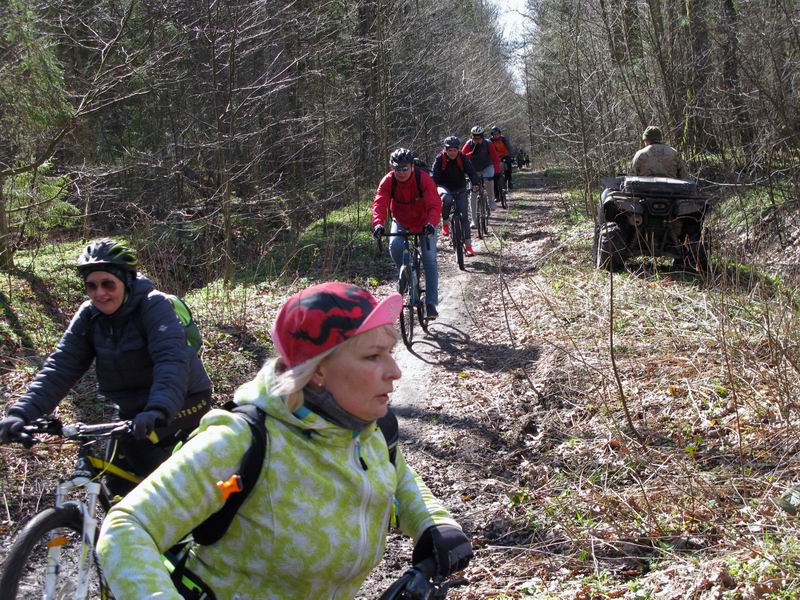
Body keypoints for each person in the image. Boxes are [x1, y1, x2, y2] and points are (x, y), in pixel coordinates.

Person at [97, 282, 473, 599]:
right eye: (373, 356)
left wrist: (432, 523)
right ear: (319, 370)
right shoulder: (242, 440)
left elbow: (396, 473)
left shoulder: (370, 429)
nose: (394, 371)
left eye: (389, 353)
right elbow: (127, 528)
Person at [0, 239, 212, 494]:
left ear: (127, 281)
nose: (100, 293)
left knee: (149, 470)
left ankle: (186, 515)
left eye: (108, 284)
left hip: (181, 401)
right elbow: (60, 368)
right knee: (115, 487)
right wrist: (21, 414)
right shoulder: (89, 316)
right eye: (92, 285)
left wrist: (158, 408)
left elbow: (171, 361)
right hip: (131, 409)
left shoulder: (154, 306)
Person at [372, 148, 442, 320]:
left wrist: (431, 224)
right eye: (397, 169)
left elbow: (434, 203)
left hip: (425, 222)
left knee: (429, 258)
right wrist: (378, 224)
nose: (401, 173)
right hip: (401, 221)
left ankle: (431, 303)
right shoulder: (388, 181)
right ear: (391, 168)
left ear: (412, 166)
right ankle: (407, 276)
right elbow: (380, 203)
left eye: (405, 169)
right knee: (395, 245)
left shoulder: (422, 179)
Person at [432, 136, 480, 257]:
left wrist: (475, 183)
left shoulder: (462, 157)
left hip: (460, 187)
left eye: (455, 150)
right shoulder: (440, 159)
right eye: (450, 150)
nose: (452, 153)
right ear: (445, 150)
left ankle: (468, 246)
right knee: (447, 199)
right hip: (444, 187)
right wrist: (433, 188)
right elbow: (435, 176)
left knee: (464, 217)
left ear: (458, 150)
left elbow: (471, 171)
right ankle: (445, 222)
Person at [462, 126, 501, 227]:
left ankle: (491, 200)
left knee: (488, 179)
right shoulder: (468, 144)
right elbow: (461, 158)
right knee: (473, 194)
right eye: (475, 138)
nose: (477, 140)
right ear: (472, 137)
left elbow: (495, 157)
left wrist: (497, 171)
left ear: (482, 137)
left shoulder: (488, 143)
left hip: (487, 166)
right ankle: (474, 220)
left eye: (479, 138)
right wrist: (471, 153)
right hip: (474, 170)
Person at [489, 125, 514, 194]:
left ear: (499, 133)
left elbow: (509, 148)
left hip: (505, 156)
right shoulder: (490, 141)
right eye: (494, 134)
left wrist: (511, 156)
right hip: (495, 158)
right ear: (492, 135)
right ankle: (497, 194)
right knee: (494, 174)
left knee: (508, 166)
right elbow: (488, 151)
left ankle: (509, 181)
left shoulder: (503, 139)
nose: (496, 135)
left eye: (497, 133)